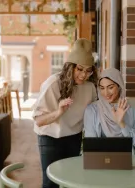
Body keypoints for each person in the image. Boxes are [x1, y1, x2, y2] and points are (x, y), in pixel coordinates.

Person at [32, 38, 98, 188]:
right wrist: (59, 112)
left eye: (88, 70)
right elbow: (39, 121)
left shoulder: (90, 87)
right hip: (50, 137)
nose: (83, 75)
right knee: (50, 183)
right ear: (70, 67)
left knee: (71, 180)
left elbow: (93, 114)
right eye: (79, 69)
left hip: (74, 136)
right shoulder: (53, 84)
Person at [84, 68, 135, 153]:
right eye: (102, 88)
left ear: (119, 86)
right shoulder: (92, 110)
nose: (106, 93)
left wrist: (122, 124)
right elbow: (91, 146)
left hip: (126, 161)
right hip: (99, 161)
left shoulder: (132, 109)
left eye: (110, 87)